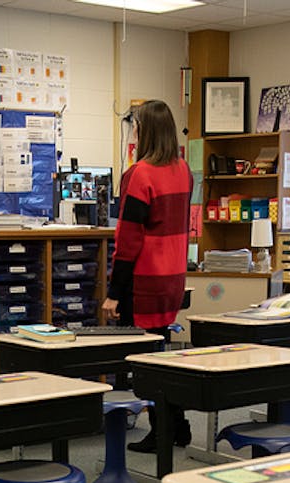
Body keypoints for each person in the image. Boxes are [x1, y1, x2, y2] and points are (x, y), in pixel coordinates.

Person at [101, 100, 194, 452]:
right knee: (163, 355)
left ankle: (162, 431)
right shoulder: (183, 170)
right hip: (171, 278)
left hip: (144, 281)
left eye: (136, 126)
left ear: (146, 132)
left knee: (146, 363)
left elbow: (128, 239)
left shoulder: (139, 174)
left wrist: (113, 291)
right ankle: (178, 425)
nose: (134, 132)